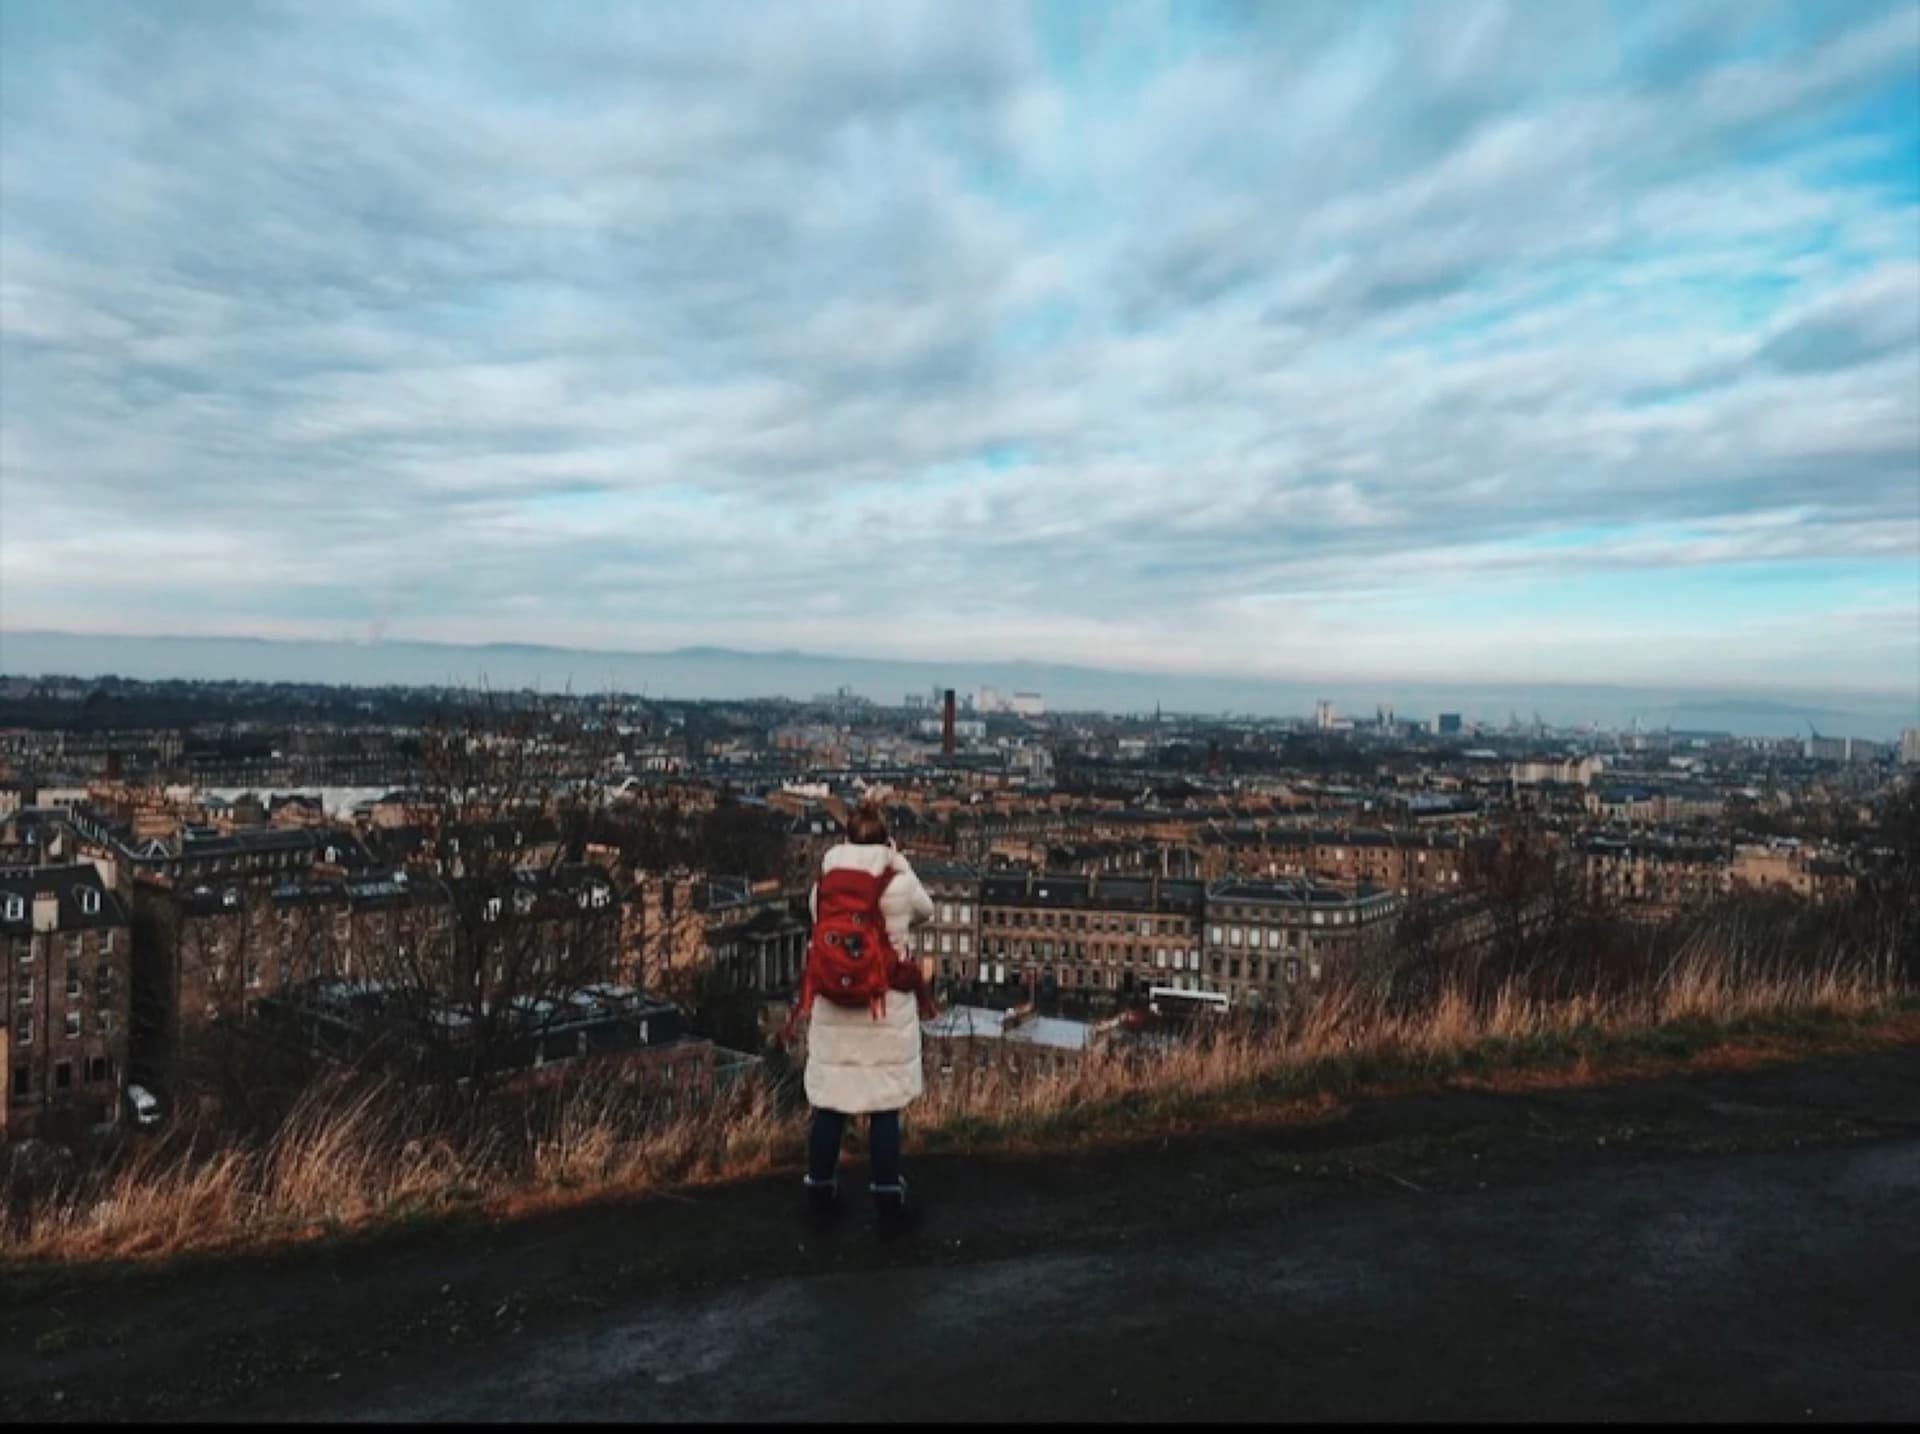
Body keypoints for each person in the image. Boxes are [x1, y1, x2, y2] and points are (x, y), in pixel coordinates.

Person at [799, 799, 935, 1238]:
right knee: (883, 1106)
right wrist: (899, 859)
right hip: (882, 1004)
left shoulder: (828, 879)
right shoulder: (897, 877)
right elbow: (926, 910)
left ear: (845, 839)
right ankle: (886, 1196)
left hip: (834, 1003)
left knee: (830, 1104)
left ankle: (819, 1191)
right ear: (885, 838)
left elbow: (815, 916)